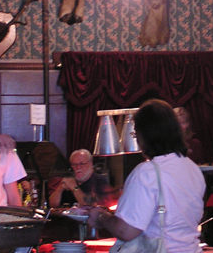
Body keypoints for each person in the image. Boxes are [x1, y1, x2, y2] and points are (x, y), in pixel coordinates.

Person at [87, 99, 206, 253]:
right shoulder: (193, 169)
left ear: (146, 135)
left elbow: (126, 231)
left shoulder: (148, 173)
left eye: (136, 134)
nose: (137, 140)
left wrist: (101, 217)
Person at [48, 149, 118, 208]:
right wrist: (60, 189)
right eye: (74, 164)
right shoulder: (70, 180)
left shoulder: (99, 181)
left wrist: (74, 188)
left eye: (82, 164)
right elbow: (50, 205)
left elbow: (89, 206)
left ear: (91, 164)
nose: (78, 167)